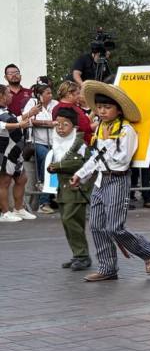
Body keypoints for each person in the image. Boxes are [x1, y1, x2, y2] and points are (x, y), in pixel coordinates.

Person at [70, 81, 150, 282]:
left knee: (114, 227)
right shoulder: (101, 128)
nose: (102, 111)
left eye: (107, 107)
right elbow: (96, 156)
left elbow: (122, 159)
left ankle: (148, 251)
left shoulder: (126, 130)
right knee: (96, 225)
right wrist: (80, 173)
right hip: (100, 181)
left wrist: (107, 145)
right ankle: (107, 267)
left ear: (118, 110)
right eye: (100, 107)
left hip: (118, 180)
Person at [47, 107, 92, 270]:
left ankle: (83, 255)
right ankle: (77, 254)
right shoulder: (58, 144)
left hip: (76, 189)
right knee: (67, 223)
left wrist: (58, 166)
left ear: (74, 127)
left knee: (72, 221)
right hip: (63, 190)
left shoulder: (80, 145)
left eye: (65, 124)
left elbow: (84, 164)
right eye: (57, 124)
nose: (60, 128)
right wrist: (51, 167)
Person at [22, 83, 59, 213]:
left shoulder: (55, 103)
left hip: (53, 142)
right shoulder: (32, 102)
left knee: (52, 161)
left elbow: (59, 118)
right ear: (40, 95)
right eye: (47, 93)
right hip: (37, 141)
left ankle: (44, 189)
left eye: (50, 92)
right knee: (46, 157)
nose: (50, 95)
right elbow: (26, 119)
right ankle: (44, 190)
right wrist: (45, 123)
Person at [0, 87, 33, 222]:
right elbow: (2, 125)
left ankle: (18, 209)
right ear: (1, 95)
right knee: (4, 182)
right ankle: (5, 213)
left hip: (15, 150)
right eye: (8, 93)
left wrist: (30, 113)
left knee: (22, 179)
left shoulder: (6, 110)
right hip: (4, 150)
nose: (11, 95)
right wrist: (19, 125)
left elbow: (15, 120)